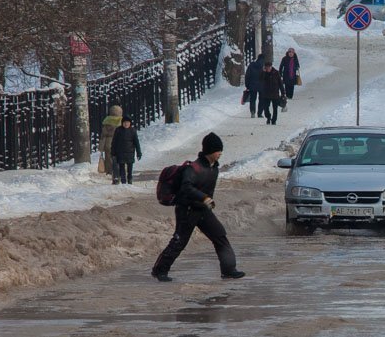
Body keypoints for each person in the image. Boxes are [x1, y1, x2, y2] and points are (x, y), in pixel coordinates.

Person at [151, 132, 245, 282]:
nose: (220, 153)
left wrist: (208, 201)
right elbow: (186, 187)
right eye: (218, 150)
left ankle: (229, 269)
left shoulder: (214, 168)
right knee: (179, 241)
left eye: (220, 150)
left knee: (220, 236)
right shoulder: (194, 168)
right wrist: (204, 197)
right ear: (209, 151)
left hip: (203, 210)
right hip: (187, 210)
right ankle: (159, 270)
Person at [110, 117, 142, 185]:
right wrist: (113, 152)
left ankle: (130, 179)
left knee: (130, 168)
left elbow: (136, 142)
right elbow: (114, 142)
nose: (126, 124)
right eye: (124, 122)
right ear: (122, 123)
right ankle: (123, 181)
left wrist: (139, 153)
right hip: (120, 152)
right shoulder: (118, 130)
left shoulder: (133, 131)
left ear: (130, 123)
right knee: (121, 167)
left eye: (127, 122)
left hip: (130, 152)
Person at [98, 104, 122, 181]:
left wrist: (101, 147)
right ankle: (120, 171)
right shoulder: (121, 121)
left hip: (108, 142)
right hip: (119, 142)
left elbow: (103, 135)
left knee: (109, 158)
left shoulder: (107, 121)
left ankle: (110, 171)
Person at [259, 59, 285, 125]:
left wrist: (283, 93)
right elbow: (260, 80)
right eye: (267, 67)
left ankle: (274, 120)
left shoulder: (276, 73)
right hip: (266, 94)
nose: (268, 69)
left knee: (275, 108)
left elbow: (280, 83)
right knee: (266, 108)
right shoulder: (263, 73)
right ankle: (268, 117)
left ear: (271, 66)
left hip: (275, 94)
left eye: (269, 67)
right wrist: (263, 72)